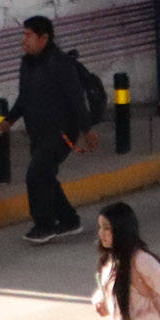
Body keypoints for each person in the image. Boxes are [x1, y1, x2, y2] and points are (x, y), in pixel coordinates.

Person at [14, 15, 98, 243]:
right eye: (24, 34)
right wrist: (9, 119)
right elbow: (24, 97)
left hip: (60, 133)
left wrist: (86, 129)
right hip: (38, 133)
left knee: (36, 174)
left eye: (29, 35)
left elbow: (76, 99)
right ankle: (69, 220)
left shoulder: (60, 64)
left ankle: (44, 225)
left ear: (44, 38)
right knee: (46, 176)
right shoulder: (27, 64)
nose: (24, 39)